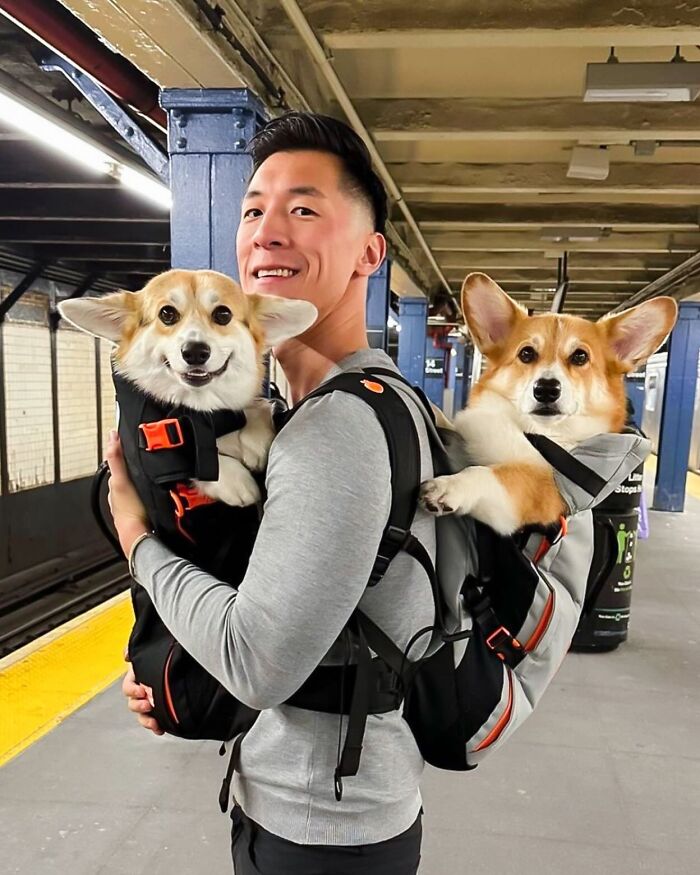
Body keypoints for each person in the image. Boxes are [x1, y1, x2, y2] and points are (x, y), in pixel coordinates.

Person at [107, 112, 436, 874]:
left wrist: (135, 539)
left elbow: (256, 662)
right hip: (338, 804)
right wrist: (174, 668)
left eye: (304, 208)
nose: (267, 231)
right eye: (254, 208)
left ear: (370, 252)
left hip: (318, 829)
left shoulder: (336, 431)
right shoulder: (361, 402)